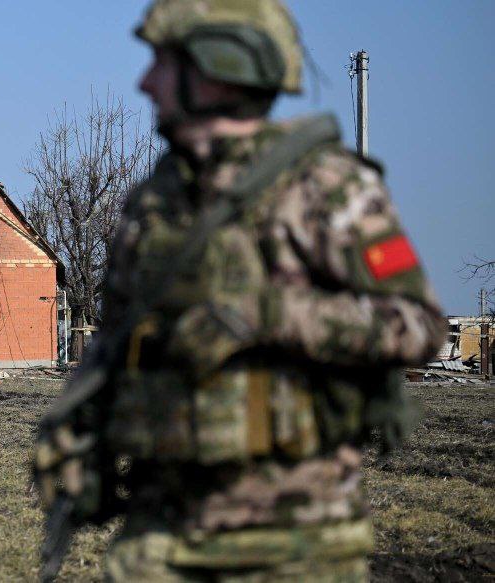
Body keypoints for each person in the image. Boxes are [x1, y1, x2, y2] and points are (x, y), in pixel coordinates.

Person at [33, 1, 447, 581]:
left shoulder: (327, 188)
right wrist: (73, 427)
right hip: (159, 532)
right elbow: (120, 338)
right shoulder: (155, 204)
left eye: (162, 63)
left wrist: (267, 314)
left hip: (294, 539)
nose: (145, 83)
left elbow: (419, 324)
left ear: (216, 67)